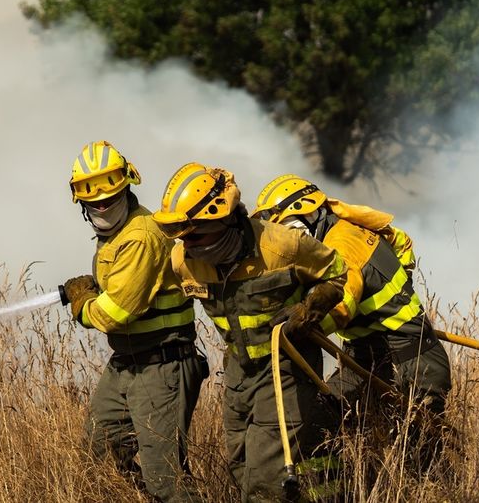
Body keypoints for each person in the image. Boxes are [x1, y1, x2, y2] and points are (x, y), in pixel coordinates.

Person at [154, 162, 359, 502]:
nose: (187, 244)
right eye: (180, 236)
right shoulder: (182, 260)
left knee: (263, 481)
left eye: (194, 234)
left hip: (286, 367)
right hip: (238, 370)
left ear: (222, 219)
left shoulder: (281, 246)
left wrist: (312, 307)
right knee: (242, 466)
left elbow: (336, 271)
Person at [254, 174, 451, 469]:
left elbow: (342, 302)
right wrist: (395, 290)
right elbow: (401, 241)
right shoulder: (350, 226)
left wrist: (307, 319)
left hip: (412, 365)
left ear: (312, 213)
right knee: (318, 429)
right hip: (368, 358)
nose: (292, 243)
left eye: (292, 231)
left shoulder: (342, 245)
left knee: (416, 463)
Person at [61, 141, 207, 502]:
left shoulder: (140, 236)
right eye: (92, 200)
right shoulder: (114, 235)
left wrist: (82, 302)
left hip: (163, 362)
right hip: (129, 362)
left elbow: (115, 314)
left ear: (127, 187)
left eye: (109, 197)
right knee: (101, 456)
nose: (101, 205)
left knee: (167, 479)